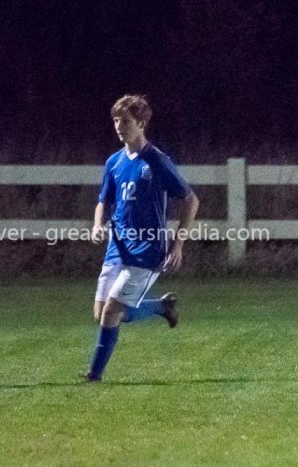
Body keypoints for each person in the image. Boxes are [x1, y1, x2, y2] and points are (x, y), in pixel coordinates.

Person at [86, 95, 199, 382]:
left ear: (141, 123)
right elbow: (103, 201)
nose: (118, 126)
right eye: (115, 120)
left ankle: (93, 376)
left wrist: (178, 244)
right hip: (117, 248)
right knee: (101, 313)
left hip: (147, 250)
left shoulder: (157, 161)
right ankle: (161, 306)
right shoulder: (114, 162)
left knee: (111, 312)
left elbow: (190, 200)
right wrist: (98, 225)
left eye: (125, 121)